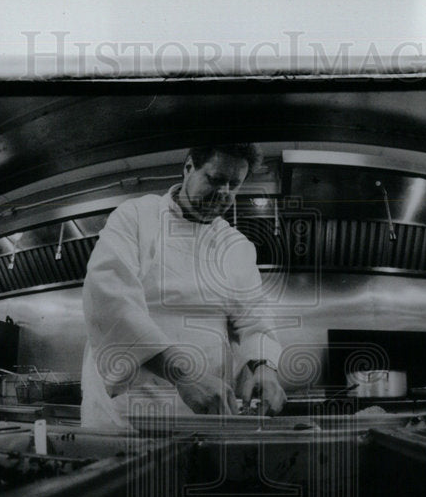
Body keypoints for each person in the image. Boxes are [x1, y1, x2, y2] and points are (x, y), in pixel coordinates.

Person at [80, 143, 287, 428]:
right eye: (215, 180)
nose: (224, 193)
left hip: (205, 411)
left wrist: (264, 367)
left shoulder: (236, 245)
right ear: (189, 167)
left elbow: (255, 320)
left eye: (234, 184)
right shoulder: (137, 217)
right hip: (129, 411)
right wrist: (183, 374)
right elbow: (110, 302)